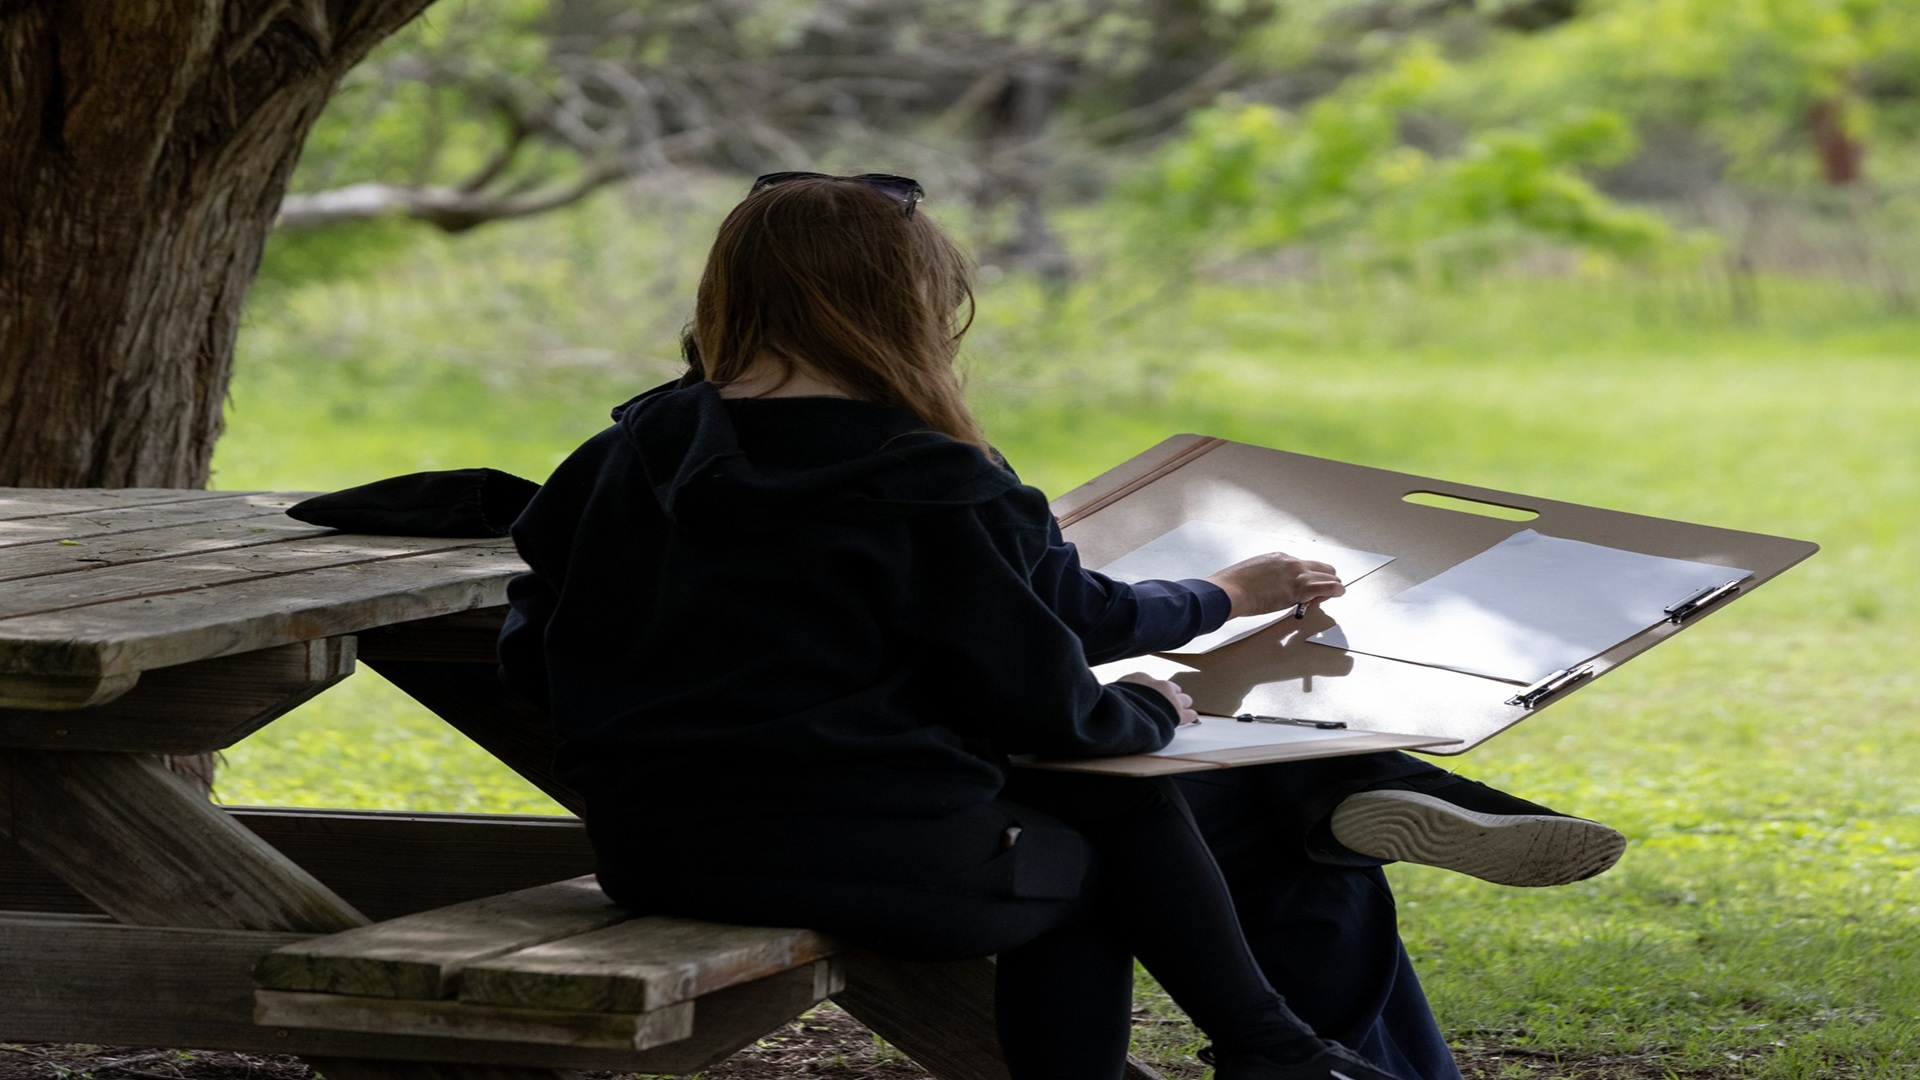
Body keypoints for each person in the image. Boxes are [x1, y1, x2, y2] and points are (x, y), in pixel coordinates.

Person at [498, 172, 1411, 1080]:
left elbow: (532, 653)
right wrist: (1147, 710)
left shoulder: (618, 458)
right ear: (909, 304)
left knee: (1094, 821)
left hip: (650, 849)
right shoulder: (930, 480)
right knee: (1099, 859)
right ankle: (1276, 1051)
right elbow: (1041, 707)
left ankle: (1278, 1050)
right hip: (866, 855)